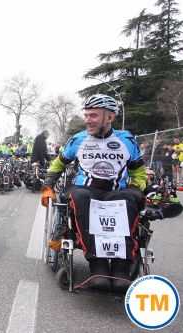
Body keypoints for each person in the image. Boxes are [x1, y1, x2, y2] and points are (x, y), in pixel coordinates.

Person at [41, 94, 147, 292]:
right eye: (87, 115)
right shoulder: (78, 139)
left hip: (117, 192)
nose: (88, 120)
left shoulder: (126, 140)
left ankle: (120, 270)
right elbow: (59, 164)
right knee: (78, 197)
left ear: (110, 117)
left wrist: (136, 187)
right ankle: (97, 267)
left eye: (94, 116)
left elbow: (139, 171)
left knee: (131, 199)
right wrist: (48, 185)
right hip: (85, 190)